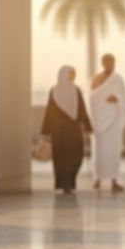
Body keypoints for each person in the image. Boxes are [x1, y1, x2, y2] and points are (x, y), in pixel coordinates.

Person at [41, 66, 91, 194]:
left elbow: (82, 109)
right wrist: (46, 132)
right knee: (61, 158)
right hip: (58, 131)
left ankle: (70, 182)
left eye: (74, 74)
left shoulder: (76, 90)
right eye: (71, 74)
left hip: (73, 130)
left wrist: (87, 127)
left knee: (76, 156)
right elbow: (49, 111)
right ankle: (65, 184)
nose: (73, 76)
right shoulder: (54, 91)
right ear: (64, 74)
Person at [88, 54, 125, 192]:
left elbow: (124, 97)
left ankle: (114, 180)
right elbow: (92, 99)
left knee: (114, 151)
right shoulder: (96, 79)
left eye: (112, 61)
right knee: (99, 152)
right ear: (102, 63)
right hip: (100, 122)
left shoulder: (118, 80)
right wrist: (103, 102)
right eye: (106, 61)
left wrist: (116, 98)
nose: (109, 64)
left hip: (114, 123)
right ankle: (98, 179)